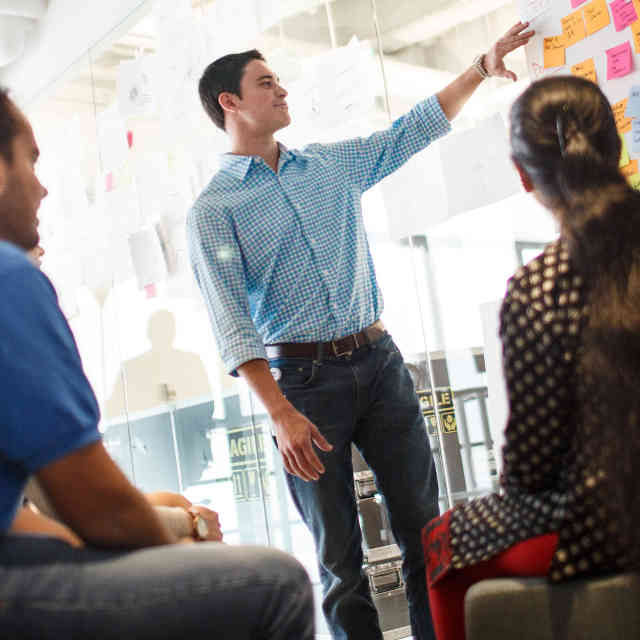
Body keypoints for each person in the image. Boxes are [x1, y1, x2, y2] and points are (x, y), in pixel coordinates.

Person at [187, 23, 533, 640]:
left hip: (380, 365)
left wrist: (481, 67)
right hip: (301, 387)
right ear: (229, 103)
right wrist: (279, 413)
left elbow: (409, 133)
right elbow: (232, 325)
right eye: (266, 82)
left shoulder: (328, 165)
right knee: (340, 561)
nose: (281, 89)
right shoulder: (214, 210)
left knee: (426, 531)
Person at [0, 88, 314, 639]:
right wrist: (183, 533)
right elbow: (98, 509)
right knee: (276, 581)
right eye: (31, 159)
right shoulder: (9, 279)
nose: (42, 186)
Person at [423, 75, 640, 640]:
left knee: (440, 544)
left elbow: (532, 467)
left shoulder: (538, 289)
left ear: (523, 177)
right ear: (613, 147)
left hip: (611, 516)